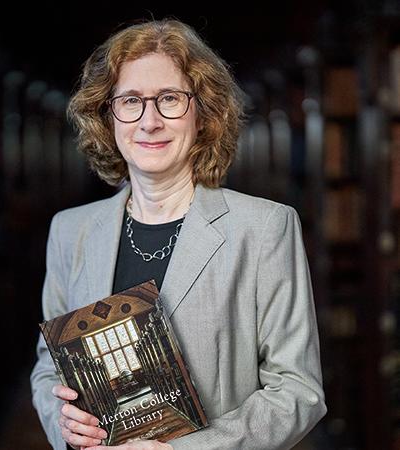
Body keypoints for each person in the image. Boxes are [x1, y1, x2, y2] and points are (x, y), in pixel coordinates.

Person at [30, 18, 326, 450]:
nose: (149, 121)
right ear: (107, 116)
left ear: (203, 113)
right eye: (130, 101)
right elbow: (47, 366)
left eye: (169, 99)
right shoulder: (69, 230)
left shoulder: (264, 228)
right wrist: (64, 425)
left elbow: (299, 391)